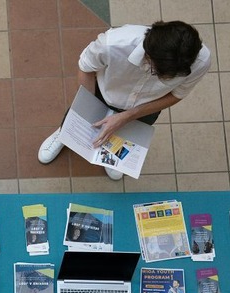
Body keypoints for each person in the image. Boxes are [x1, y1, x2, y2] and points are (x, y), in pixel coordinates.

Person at [38, 21, 211, 180]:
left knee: (124, 132)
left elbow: (177, 94)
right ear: (148, 53)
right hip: (104, 92)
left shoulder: (201, 61)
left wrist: (128, 116)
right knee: (79, 118)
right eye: (154, 71)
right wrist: (87, 109)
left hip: (145, 106)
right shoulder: (113, 43)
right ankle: (64, 134)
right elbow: (85, 67)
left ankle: (111, 156)